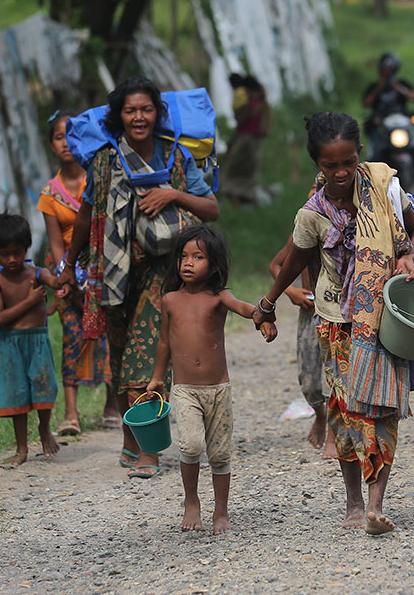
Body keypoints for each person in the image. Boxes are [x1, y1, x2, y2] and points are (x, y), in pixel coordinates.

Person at [253, 112, 414, 535]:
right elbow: (293, 259)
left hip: (386, 318)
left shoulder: (386, 186)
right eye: (331, 165)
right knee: (345, 411)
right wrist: (269, 302)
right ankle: (352, 503)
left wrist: (409, 255)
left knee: (383, 408)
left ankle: (375, 505)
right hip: (336, 323)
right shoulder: (312, 213)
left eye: (348, 162)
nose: (341, 172)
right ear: (317, 163)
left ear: (359, 154)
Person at [56, 76, 219, 479]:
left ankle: (148, 451)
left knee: (143, 354)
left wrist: (173, 194)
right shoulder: (107, 161)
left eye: (146, 109)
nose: (139, 117)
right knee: (119, 351)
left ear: (158, 113)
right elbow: (85, 215)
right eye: (130, 110)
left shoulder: (176, 157)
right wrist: (69, 266)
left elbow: (211, 208)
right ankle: (132, 442)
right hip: (113, 273)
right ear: (119, 116)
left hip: (162, 273)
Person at [146, 224, 276, 534]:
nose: (188, 263)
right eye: (184, 257)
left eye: (198, 257)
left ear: (214, 264)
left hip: (218, 389)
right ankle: (192, 501)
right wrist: (156, 378)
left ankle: (221, 510)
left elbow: (246, 310)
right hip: (185, 389)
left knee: (219, 453)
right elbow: (164, 342)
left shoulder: (219, 297)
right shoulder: (170, 300)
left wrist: (263, 319)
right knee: (190, 446)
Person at [37, 111, 118, 436]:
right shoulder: (49, 195)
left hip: (104, 267)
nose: (67, 143)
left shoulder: (98, 178)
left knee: (110, 336)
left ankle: (112, 406)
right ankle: (70, 413)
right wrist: (66, 275)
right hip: (68, 275)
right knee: (72, 337)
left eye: (72, 136)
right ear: (52, 145)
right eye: (59, 137)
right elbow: (56, 244)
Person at [0, 213, 60, 467]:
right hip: (11, 345)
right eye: (5, 254)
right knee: (16, 395)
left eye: (17, 252)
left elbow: (55, 281)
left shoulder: (37, 273)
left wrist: (63, 279)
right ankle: (21, 448)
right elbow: (0, 318)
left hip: (37, 342)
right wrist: (30, 301)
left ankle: (45, 429)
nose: (12, 259)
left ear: (26, 248)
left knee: (43, 387)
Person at [269, 229, 331, 453]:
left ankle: (334, 435)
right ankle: (321, 415)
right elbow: (275, 265)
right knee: (310, 382)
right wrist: (290, 290)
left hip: (340, 310)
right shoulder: (304, 230)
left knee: (338, 375)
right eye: (313, 190)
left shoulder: (349, 227)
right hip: (311, 310)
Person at [361, 52, 414, 199]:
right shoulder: (374, 87)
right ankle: (369, 193)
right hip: (381, 125)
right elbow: (365, 104)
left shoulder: (401, 84)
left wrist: (399, 88)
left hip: (400, 124)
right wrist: (379, 88)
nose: (387, 73)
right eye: (384, 70)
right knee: (375, 156)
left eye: (389, 70)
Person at [221, 74, 271, 205]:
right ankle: (245, 196)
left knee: (236, 166)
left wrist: (240, 119)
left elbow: (242, 118)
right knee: (249, 167)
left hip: (246, 137)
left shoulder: (248, 99)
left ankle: (237, 196)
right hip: (252, 136)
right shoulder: (259, 100)